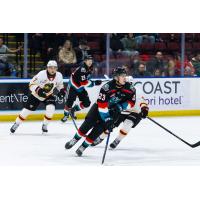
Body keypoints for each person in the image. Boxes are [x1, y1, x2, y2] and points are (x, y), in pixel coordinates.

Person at [64, 67, 137, 156]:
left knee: (98, 130)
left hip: (114, 112)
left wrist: (120, 107)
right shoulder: (106, 87)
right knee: (87, 125)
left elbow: (131, 102)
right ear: (116, 77)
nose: (125, 77)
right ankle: (74, 139)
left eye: (125, 75)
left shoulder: (131, 88)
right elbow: (102, 106)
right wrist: (107, 119)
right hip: (98, 108)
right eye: (122, 76)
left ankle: (83, 147)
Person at [10, 60, 65, 134]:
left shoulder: (59, 75)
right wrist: (39, 91)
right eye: (51, 67)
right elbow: (31, 84)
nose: (52, 69)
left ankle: (45, 125)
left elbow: (60, 84)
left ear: (57, 68)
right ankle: (16, 123)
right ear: (47, 68)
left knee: (51, 108)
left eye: (54, 68)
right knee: (26, 111)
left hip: (48, 95)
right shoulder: (41, 74)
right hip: (36, 95)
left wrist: (61, 91)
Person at [92, 83, 149, 149]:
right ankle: (101, 138)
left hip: (135, 112)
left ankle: (118, 139)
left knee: (128, 124)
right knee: (111, 124)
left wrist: (144, 110)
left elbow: (143, 102)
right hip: (122, 111)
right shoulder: (120, 89)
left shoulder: (137, 91)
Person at [61, 55, 102, 122]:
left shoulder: (90, 68)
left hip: (80, 87)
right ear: (85, 61)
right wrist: (94, 83)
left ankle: (73, 110)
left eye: (91, 60)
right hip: (73, 86)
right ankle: (65, 115)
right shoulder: (82, 69)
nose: (90, 62)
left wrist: (94, 82)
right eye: (88, 60)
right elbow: (84, 82)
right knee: (69, 102)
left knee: (87, 103)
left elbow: (86, 79)